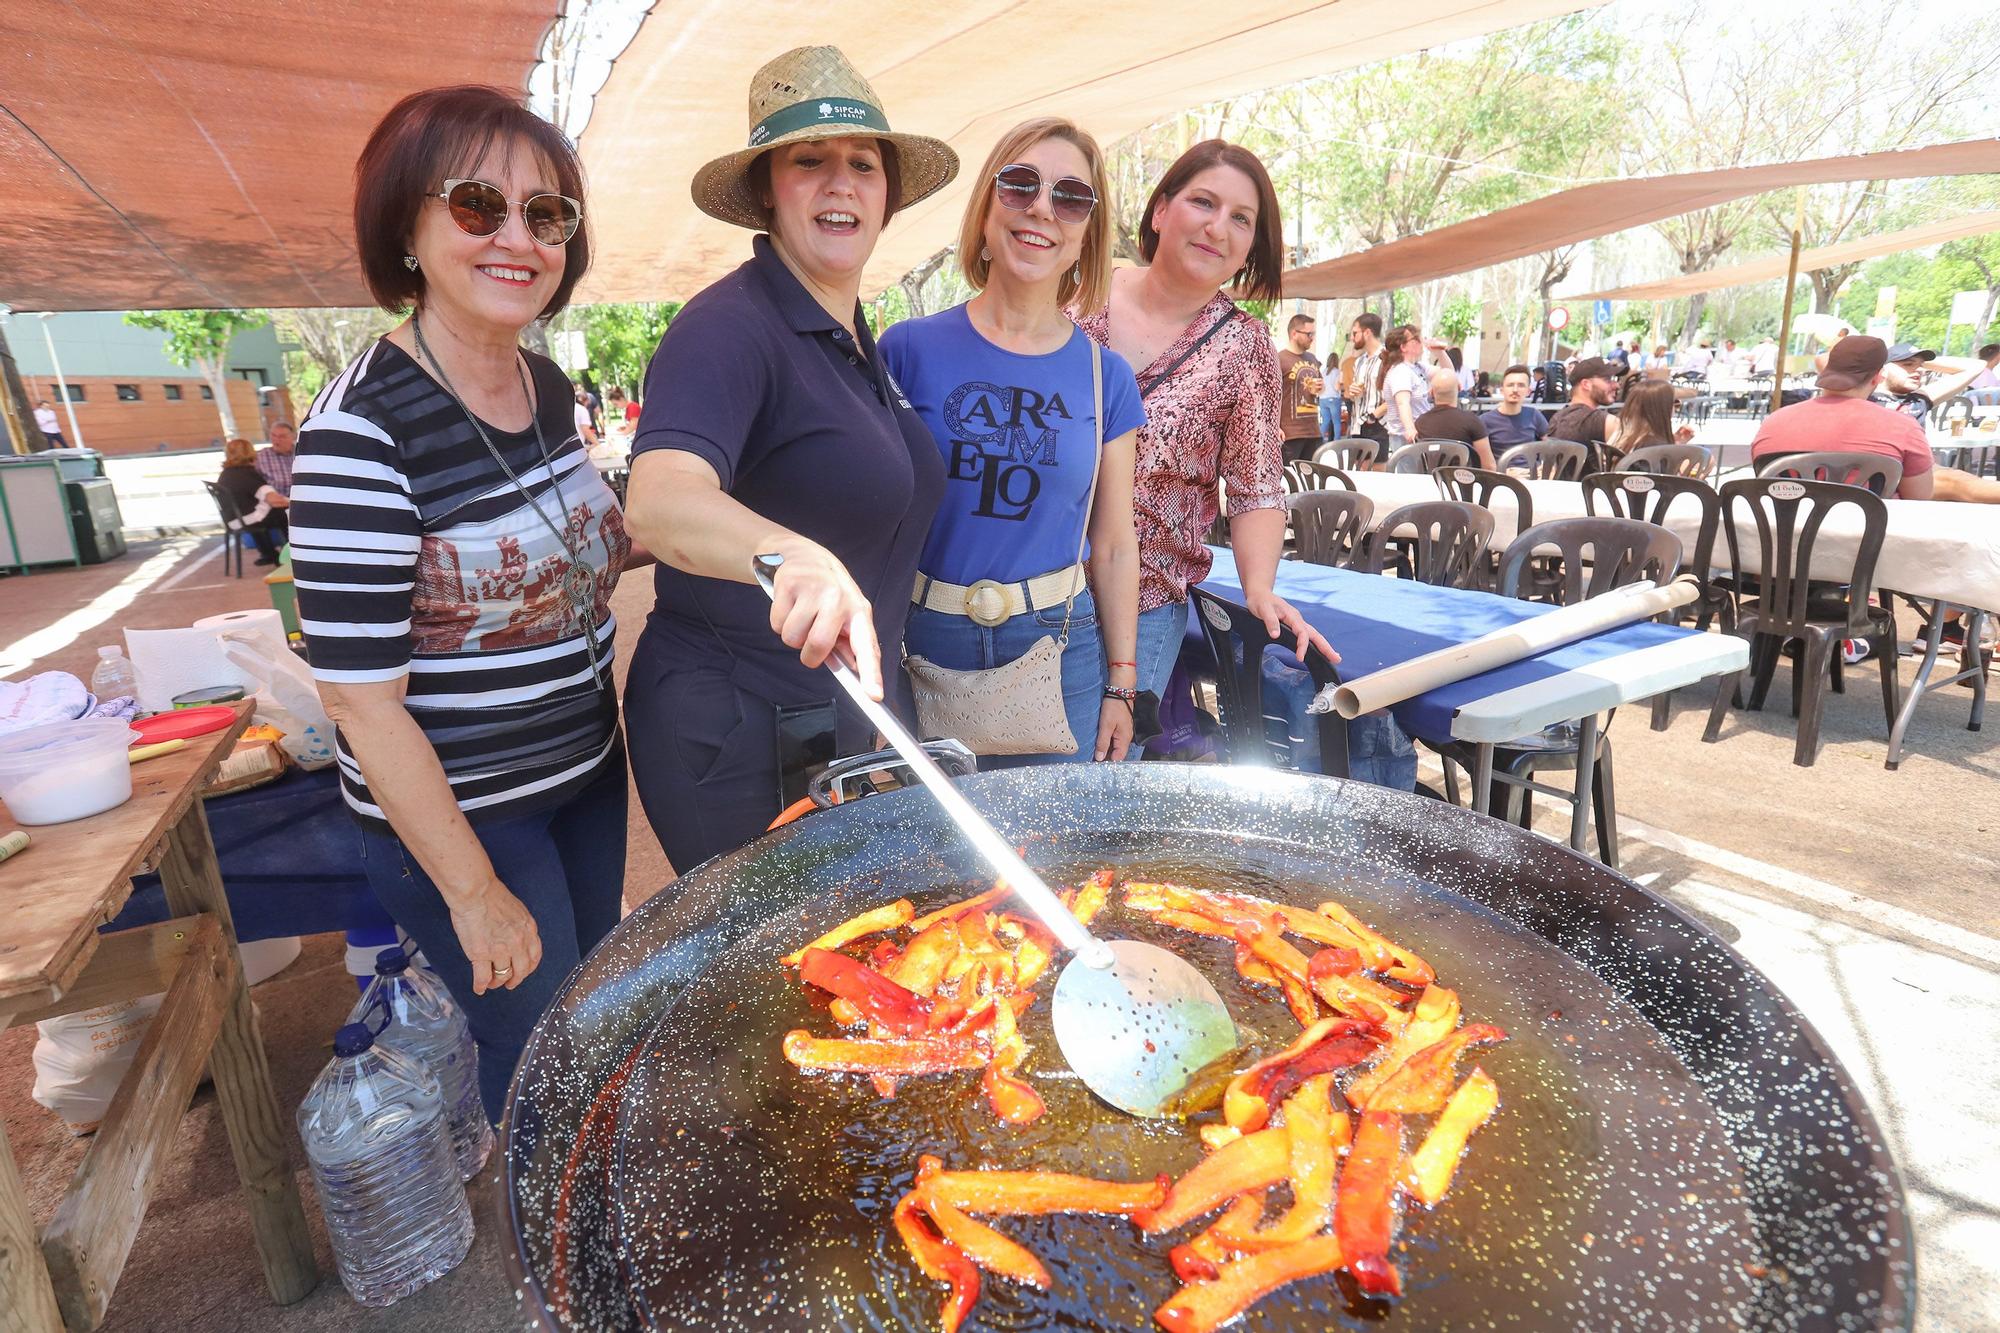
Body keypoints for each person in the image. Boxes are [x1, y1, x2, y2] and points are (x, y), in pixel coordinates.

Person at [289, 84, 633, 1123]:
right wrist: (474, 891)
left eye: (547, 214)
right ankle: (549, 1268)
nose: (517, 238)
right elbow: (359, 701)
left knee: (592, 1016)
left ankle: (586, 1227)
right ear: (408, 224)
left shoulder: (547, 388)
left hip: (583, 769)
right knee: (541, 1051)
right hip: (470, 816)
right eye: (478, 206)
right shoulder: (359, 432)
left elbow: (578, 549)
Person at [620, 46, 953, 869]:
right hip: (735, 730)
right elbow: (659, 498)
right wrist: (792, 555)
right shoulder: (729, 326)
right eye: (810, 160)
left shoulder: (849, 331)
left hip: (833, 719)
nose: (841, 181)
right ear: (768, 189)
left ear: (887, 196)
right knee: (774, 980)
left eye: (863, 165)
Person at [880, 118, 1141, 767]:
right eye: (1020, 184)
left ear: (1086, 234)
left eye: (1070, 196)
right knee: (941, 855)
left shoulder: (1106, 377)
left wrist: (1122, 682)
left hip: (1059, 644)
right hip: (923, 639)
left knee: (1053, 856)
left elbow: (1112, 544)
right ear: (986, 211)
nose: (1042, 209)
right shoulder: (905, 350)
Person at [1074, 138, 1334, 711]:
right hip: (1026, 592)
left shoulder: (1244, 347)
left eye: (1241, 219)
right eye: (1203, 203)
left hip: (1144, 605)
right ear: (1161, 211)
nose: (1218, 227)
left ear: (1250, 249)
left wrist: (1259, 589)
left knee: (1101, 782)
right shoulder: (1076, 295)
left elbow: (1256, 486)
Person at [1751, 335, 1999, 503]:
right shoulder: (1902, 426)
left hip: (1780, 550)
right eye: (1908, 364)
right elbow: (1919, 501)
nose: (1918, 369)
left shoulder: (1772, 423)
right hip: (1866, 557)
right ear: (1878, 376)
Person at [214, 437, 289, 564]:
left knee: (266, 512)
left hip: (234, 519)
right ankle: (290, 555)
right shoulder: (247, 474)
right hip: (247, 519)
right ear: (250, 452)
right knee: (283, 514)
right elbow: (274, 500)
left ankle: (268, 553)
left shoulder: (226, 474)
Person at [1546, 355, 1618, 471]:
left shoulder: (1557, 418)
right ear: (1586, 384)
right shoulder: (1607, 422)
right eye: (1607, 380)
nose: (1616, 385)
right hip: (1593, 488)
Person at [1413, 366, 1494, 469]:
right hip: (1462, 482)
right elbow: (1489, 466)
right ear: (1459, 388)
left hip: (1429, 481)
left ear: (1431, 392)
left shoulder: (1420, 422)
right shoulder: (1473, 421)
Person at [1274, 313, 1326, 464]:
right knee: (1290, 482)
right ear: (1294, 333)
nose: (1312, 338)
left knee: (1310, 481)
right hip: (1290, 434)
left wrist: (1319, 388)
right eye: (1309, 334)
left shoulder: (1312, 359)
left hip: (1313, 431)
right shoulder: (1279, 359)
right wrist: (1275, 427)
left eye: (1313, 334)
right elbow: (1268, 397)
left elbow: (1319, 388)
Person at [1377, 323, 1431, 455]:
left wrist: (1439, 351)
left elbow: (1448, 374)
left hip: (1420, 433)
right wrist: (1410, 429)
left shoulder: (1417, 367)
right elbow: (1402, 402)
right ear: (1403, 347)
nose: (1421, 342)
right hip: (1406, 437)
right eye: (1416, 339)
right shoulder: (1400, 371)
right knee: (1410, 474)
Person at [1606, 380, 1694, 458]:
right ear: (1663, 408)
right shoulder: (1654, 446)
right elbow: (1666, 474)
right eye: (1675, 403)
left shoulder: (1622, 432)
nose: (1676, 409)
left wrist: (1676, 444)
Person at [1480, 364, 1550, 450]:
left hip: (1531, 463)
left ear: (1528, 391)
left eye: (1521, 385)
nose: (1515, 390)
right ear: (1502, 390)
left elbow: (1550, 448)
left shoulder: (1534, 415)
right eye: (1510, 385)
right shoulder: (1485, 420)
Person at [1343, 313, 1387, 446]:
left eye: (1355, 333)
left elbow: (1394, 396)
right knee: (1360, 466)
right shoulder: (1360, 361)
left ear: (1367, 332)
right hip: (1358, 424)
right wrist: (1353, 392)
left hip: (1378, 425)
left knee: (1378, 466)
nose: (1352, 338)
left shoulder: (1386, 358)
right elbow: (1355, 395)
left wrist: (1374, 416)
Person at [255, 419, 296, 496]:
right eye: (273, 435)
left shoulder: (300, 453)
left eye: (282, 436)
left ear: (293, 437)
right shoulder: (261, 457)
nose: (276, 440)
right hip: (277, 502)